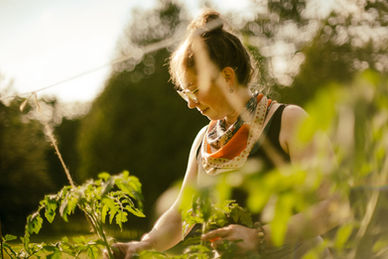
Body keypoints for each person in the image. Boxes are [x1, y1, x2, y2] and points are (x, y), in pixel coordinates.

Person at [107, 10, 349, 259]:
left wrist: (259, 237)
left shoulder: (289, 121)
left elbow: (333, 206)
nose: (191, 103)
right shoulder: (204, 139)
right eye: (185, 94)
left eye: (195, 90)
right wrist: (143, 245)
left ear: (226, 77)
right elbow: (182, 213)